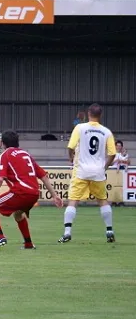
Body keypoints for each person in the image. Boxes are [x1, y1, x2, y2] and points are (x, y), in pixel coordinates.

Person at [0, 130, 63, 251]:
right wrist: (54, 195)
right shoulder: (26, 154)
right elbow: (43, 176)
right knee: (18, 214)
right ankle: (28, 244)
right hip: (34, 194)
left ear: (3, 144)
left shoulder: (5, 155)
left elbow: (0, 179)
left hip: (21, 192)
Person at [59, 103, 116, 244]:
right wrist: (105, 167)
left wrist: (71, 158)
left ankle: (67, 233)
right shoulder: (107, 132)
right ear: (100, 115)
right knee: (102, 200)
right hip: (98, 171)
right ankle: (109, 230)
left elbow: (70, 146)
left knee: (73, 200)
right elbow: (113, 153)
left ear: (88, 113)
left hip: (81, 170)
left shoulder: (80, 128)